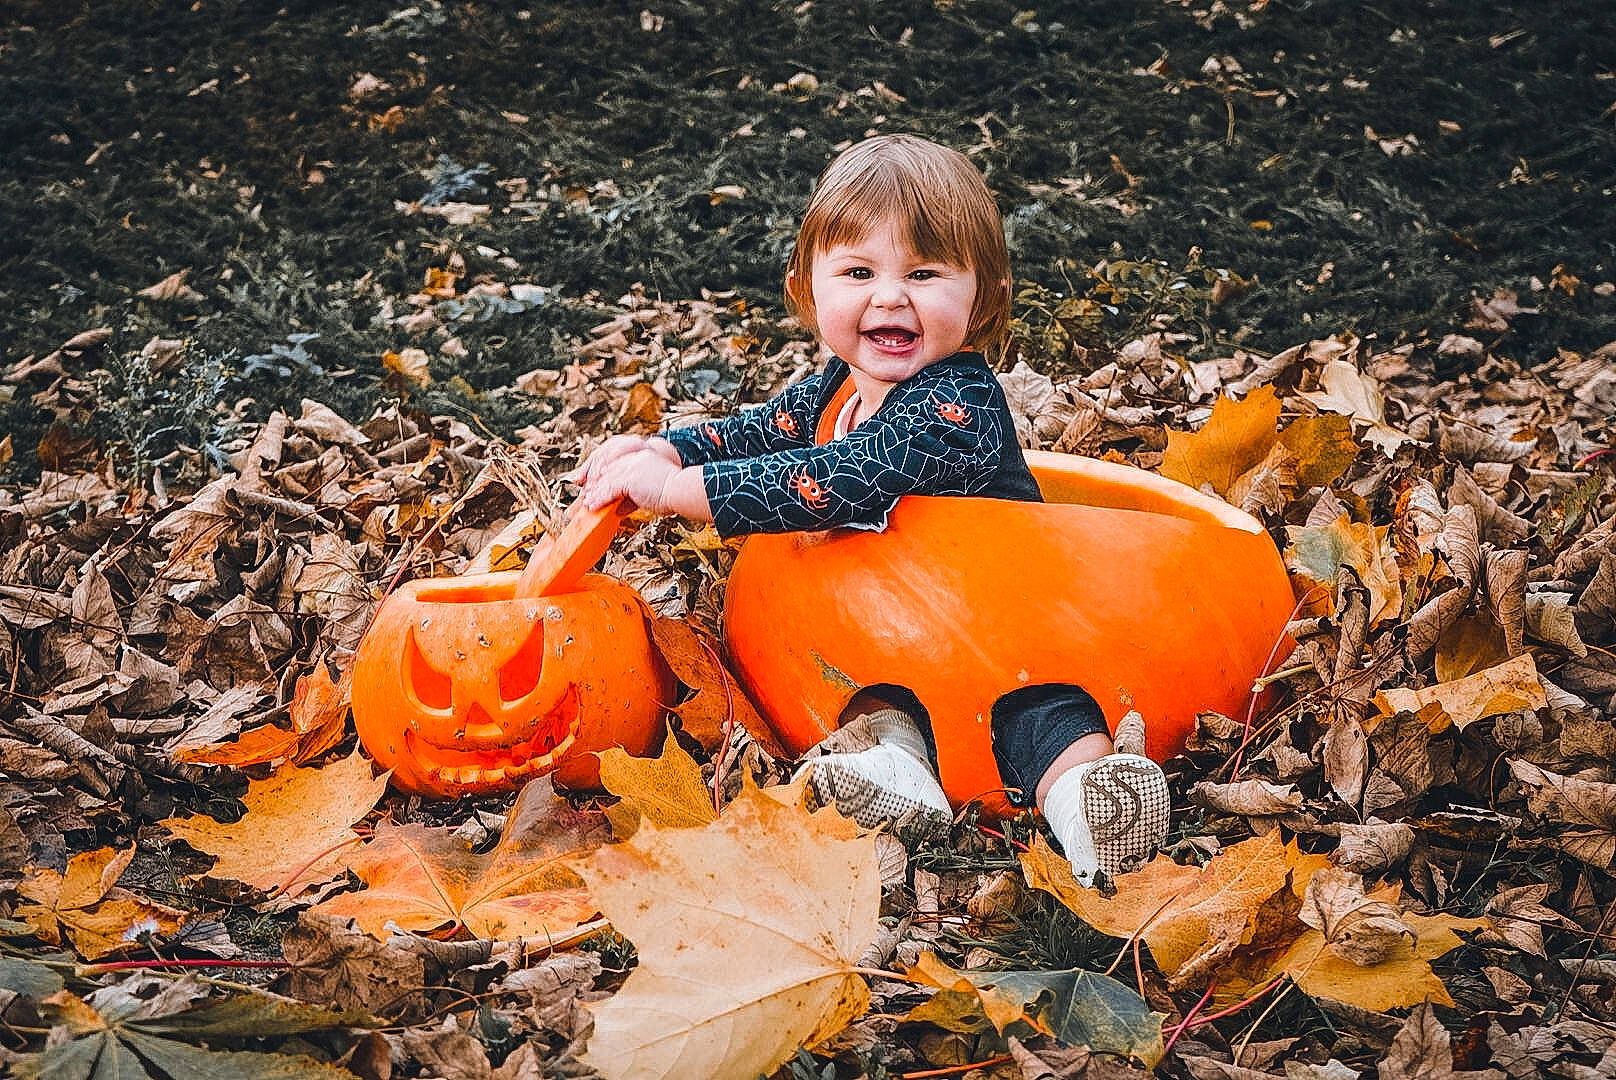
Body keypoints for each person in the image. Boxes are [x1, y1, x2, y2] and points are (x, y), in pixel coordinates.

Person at [574, 134, 1167, 886]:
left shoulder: (955, 401)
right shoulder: (839, 387)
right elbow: (763, 431)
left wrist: (681, 496)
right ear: (809, 289)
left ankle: (1095, 805)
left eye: (923, 273)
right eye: (858, 272)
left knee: (1043, 723)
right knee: (879, 707)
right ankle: (896, 780)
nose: (890, 297)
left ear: (979, 295)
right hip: (890, 639)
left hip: (1010, 631)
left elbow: (843, 477)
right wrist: (673, 450)